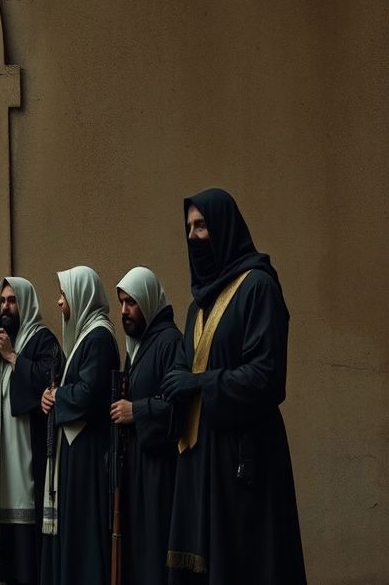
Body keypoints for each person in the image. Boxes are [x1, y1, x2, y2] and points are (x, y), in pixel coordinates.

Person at [160, 188, 306, 584]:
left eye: (202, 225)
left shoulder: (258, 288)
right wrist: (183, 382)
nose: (192, 236)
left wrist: (199, 382)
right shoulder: (197, 307)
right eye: (188, 227)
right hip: (198, 458)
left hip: (243, 461)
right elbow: (179, 370)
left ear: (224, 228)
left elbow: (267, 377)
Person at [0, 277, 63, 584]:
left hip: (27, 451)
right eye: (3, 301)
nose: (6, 306)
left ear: (25, 303)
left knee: (28, 540)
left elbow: (51, 377)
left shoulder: (42, 339)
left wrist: (10, 356)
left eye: (12, 300)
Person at [40, 265, 119, 585]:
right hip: (76, 451)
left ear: (81, 295)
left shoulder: (99, 336)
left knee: (84, 533)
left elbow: (89, 394)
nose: (59, 302)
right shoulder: (87, 335)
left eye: (63, 294)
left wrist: (58, 397)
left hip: (87, 453)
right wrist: (51, 395)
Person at [111, 267, 182, 585]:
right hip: (138, 470)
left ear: (149, 302)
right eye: (122, 303)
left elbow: (180, 408)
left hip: (159, 473)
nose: (124, 311)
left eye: (131, 303)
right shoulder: (137, 346)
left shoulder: (169, 343)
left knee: (155, 551)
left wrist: (135, 411)